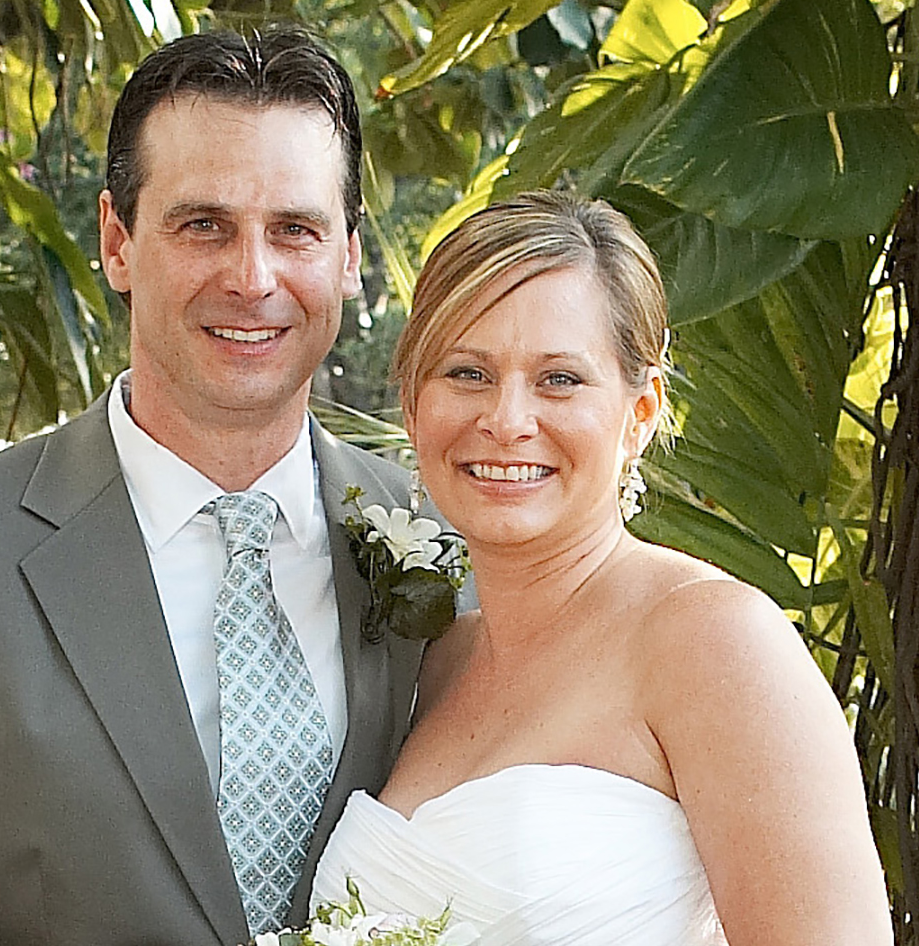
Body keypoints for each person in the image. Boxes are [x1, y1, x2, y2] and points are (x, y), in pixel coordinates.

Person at [0, 28, 433, 946]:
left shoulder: (448, 548)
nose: (253, 277)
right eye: (204, 224)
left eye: (296, 230)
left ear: (349, 257)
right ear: (118, 242)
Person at [312, 192, 893, 945]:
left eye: (560, 379)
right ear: (413, 406)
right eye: (467, 373)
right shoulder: (431, 662)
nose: (508, 419)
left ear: (641, 412)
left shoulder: (714, 642)